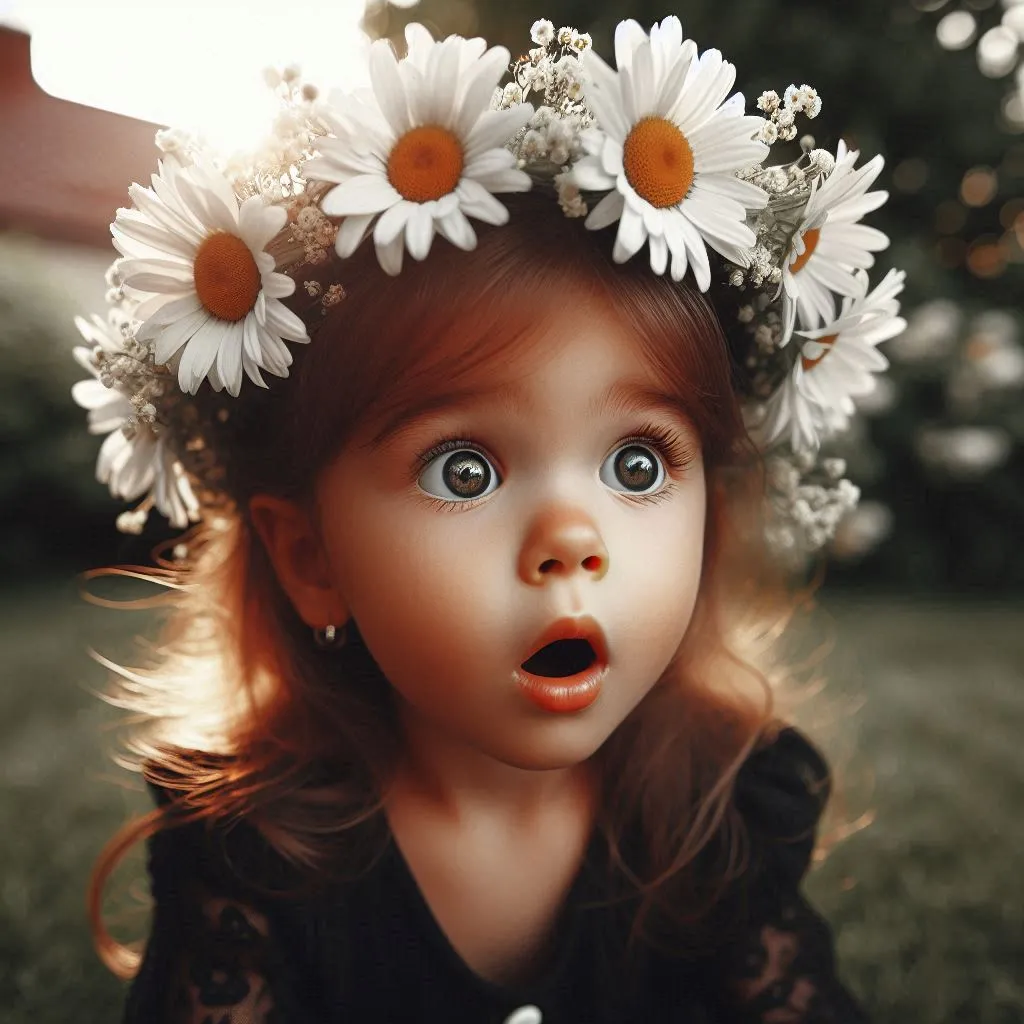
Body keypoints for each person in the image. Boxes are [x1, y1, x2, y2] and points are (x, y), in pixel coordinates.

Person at [73, 15, 903, 1023]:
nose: (570, 537)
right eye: (463, 468)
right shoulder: (260, 859)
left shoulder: (720, 814)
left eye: (636, 462)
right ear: (310, 555)